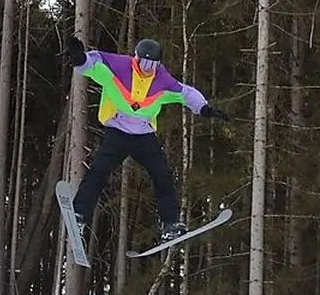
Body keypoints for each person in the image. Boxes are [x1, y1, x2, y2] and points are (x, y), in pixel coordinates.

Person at [61, 35, 230, 244]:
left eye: (153, 64)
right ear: (136, 58)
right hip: (118, 132)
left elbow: (185, 93)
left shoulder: (162, 80)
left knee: (163, 176)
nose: (148, 68)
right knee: (98, 172)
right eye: (144, 63)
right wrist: (79, 58)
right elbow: (93, 64)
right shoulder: (118, 67)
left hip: (144, 136)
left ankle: (170, 224)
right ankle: (79, 215)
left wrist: (205, 108)